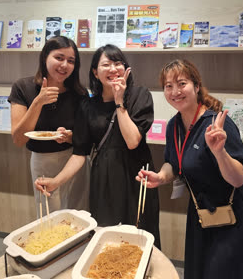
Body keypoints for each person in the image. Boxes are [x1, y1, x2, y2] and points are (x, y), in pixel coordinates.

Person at [137, 59, 243, 278]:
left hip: (238, 214)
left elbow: (239, 179)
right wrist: (161, 177)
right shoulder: (174, 125)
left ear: (197, 86)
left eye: (182, 83)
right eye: (168, 86)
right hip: (203, 213)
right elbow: (174, 162)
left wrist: (219, 151)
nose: (175, 91)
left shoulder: (217, 124)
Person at [35, 44, 161, 247]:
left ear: (126, 68)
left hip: (137, 178)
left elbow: (132, 141)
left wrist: (119, 101)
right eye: (106, 64)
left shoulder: (139, 95)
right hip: (104, 180)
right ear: (95, 71)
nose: (113, 69)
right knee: (107, 238)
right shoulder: (88, 105)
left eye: (118, 63)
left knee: (140, 237)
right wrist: (56, 181)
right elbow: (79, 153)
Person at [8, 36, 89, 216]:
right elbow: (19, 139)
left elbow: (84, 138)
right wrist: (38, 103)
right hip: (42, 161)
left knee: (76, 214)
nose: (64, 65)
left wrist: (69, 136)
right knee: (48, 216)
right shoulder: (23, 87)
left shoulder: (80, 93)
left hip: (73, 161)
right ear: (45, 57)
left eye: (71, 61)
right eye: (59, 58)